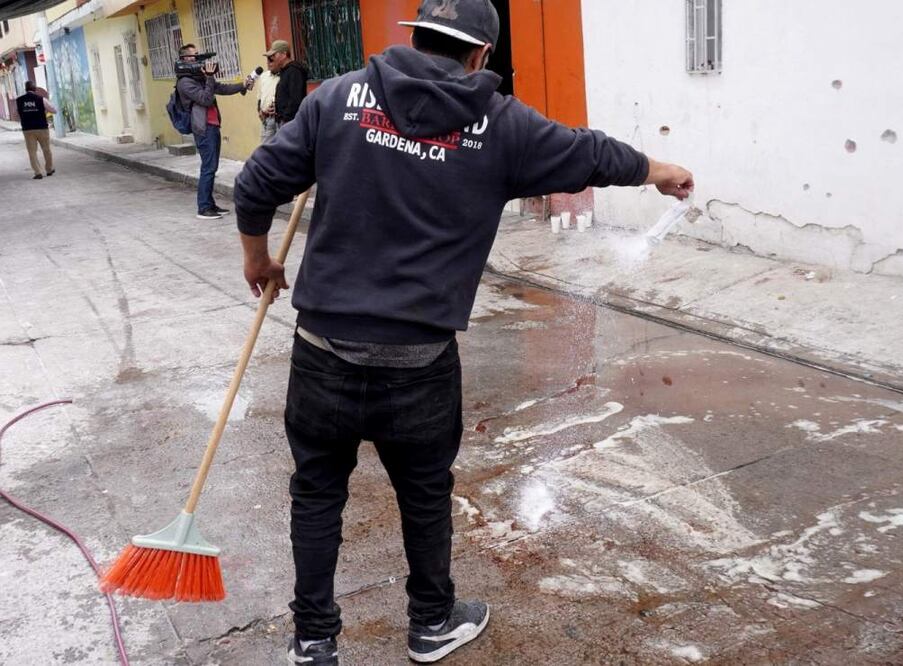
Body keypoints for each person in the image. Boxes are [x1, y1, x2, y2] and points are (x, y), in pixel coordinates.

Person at [233, 1, 693, 663]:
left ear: (414, 37)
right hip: (417, 363)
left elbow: (254, 187)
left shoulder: (336, 100)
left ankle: (312, 640)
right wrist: (658, 170)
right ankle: (430, 623)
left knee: (316, 493)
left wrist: (259, 261)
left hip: (324, 352)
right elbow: (588, 154)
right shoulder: (501, 126)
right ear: (480, 56)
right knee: (423, 495)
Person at [175, 44, 251, 220]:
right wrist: (209, 77)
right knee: (208, 168)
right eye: (195, 56)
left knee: (212, 167)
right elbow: (206, 99)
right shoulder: (185, 82)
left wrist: (242, 85)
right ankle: (203, 208)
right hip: (203, 129)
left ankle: (210, 204)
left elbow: (221, 88)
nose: (200, 59)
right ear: (186, 60)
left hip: (212, 126)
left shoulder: (200, 78)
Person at [16, 81, 57, 180]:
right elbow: (54, 110)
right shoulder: (41, 99)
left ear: (25, 89)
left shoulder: (19, 100)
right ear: (35, 89)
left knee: (32, 152)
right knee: (46, 149)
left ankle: (38, 172)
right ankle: (49, 169)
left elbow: (18, 113)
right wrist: (44, 110)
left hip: (28, 129)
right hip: (42, 128)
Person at [264, 40, 308, 127]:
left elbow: (296, 99)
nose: (272, 59)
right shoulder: (284, 71)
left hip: (291, 122)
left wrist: (286, 119)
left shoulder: (294, 71)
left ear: (284, 54)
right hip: (282, 121)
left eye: (274, 55)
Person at [255, 67, 280, 143]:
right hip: (266, 118)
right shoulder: (264, 76)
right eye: (268, 59)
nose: (269, 63)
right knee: (266, 149)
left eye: (271, 59)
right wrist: (259, 111)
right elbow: (259, 97)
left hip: (280, 119)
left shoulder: (284, 76)